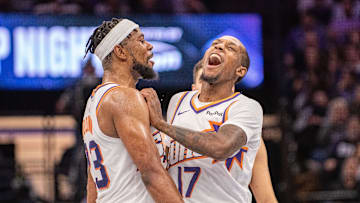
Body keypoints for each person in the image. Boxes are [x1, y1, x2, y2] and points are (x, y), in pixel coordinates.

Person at [141, 36, 270, 202]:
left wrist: (161, 124)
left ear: (240, 71)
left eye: (230, 48)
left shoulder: (246, 108)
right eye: (215, 44)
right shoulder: (178, 101)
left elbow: (220, 147)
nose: (219, 47)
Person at [82, 18, 183, 203]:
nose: (150, 46)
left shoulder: (94, 101)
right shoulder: (124, 98)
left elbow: (92, 183)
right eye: (141, 41)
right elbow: (151, 173)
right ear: (120, 51)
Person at [191, 60, 278, 202]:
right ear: (194, 89)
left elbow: (266, 199)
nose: (211, 86)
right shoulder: (172, 134)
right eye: (205, 80)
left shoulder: (249, 137)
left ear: (231, 88)